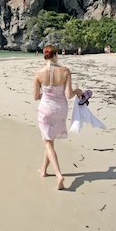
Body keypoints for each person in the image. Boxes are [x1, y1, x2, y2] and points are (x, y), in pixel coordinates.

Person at [33, 45, 82, 190]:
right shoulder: (65, 71)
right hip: (61, 109)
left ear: (44, 56)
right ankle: (43, 170)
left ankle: (58, 175)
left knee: (47, 142)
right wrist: (78, 91)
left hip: (46, 109)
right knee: (50, 141)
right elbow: (68, 95)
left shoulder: (38, 73)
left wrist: (46, 94)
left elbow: (36, 96)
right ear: (56, 55)